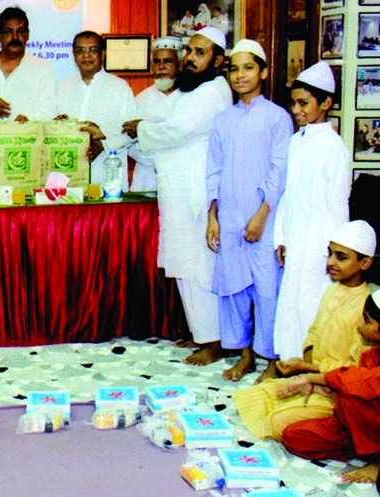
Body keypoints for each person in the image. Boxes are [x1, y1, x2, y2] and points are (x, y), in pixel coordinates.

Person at [121, 27, 232, 366]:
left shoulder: (214, 91)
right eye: (190, 51)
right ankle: (201, 333)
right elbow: (170, 128)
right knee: (184, 262)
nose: (190, 58)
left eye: (200, 53)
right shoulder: (192, 89)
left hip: (196, 192)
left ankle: (215, 340)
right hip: (177, 189)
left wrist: (140, 128)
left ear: (217, 60)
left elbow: (177, 130)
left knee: (200, 264)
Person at [232, 220, 376, 441]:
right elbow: (313, 334)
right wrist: (306, 374)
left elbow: (354, 371)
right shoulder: (332, 291)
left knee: (277, 421)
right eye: (330, 254)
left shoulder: (367, 312)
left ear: (365, 263)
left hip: (340, 394)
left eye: (341, 257)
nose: (331, 262)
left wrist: (310, 373)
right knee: (253, 395)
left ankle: (344, 433)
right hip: (317, 378)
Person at [205, 39, 292, 382]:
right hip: (228, 217)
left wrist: (261, 214)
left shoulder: (277, 118)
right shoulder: (222, 120)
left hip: (264, 219)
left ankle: (271, 360)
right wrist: (213, 216)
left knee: (267, 289)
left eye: (248, 68)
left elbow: (279, 169)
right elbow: (213, 170)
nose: (240, 75)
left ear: (264, 72)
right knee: (234, 289)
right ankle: (244, 356)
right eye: (234, 69)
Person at [273, 61, 351, 362]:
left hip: (320, 244)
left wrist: (336, 253)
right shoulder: (296, 141)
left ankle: (309, 369)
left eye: (303, 103)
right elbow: (287, 195)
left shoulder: (334, 147)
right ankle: (288, 364)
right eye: (293, 103)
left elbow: (338, 204)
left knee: (310, 304)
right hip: (295, 239)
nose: (296, 110)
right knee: (290, 303)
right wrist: (281, 238)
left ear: (326, 103)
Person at [280, 287, 380, 483]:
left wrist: (311, 377)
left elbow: (356, 381)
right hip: (354, 426)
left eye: (366, 320)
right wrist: (325, 387)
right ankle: (363, 447)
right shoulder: (371, 355)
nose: (359, 323)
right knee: (294, 436)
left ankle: (376, 463)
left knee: (352, 394)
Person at [56, 31, 137, 192]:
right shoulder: (63, 87)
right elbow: (54, 125)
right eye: (80, 51)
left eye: (92, 50)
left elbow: (132, 133)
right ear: (74, 55)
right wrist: (58, 124)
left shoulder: (119, 87)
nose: (86, 56)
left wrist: (104, 144)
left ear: (103, 54)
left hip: (107, 177)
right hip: (70, 180)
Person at [0, 7, 55, 122]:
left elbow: (48, 111)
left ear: (27, 34)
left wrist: (29, 120)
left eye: (20, 31)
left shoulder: (42, 68)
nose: (15, 37)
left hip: (26, 137)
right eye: (8, 32)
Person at [128, 36, 181, 193]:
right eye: (157, 62)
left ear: (180, 64)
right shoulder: (141, 100)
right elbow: (130, 143)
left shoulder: (190, 97)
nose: (162, 66)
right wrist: (159, 159)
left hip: (180, 180)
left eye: (168, 61)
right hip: (147, 179)